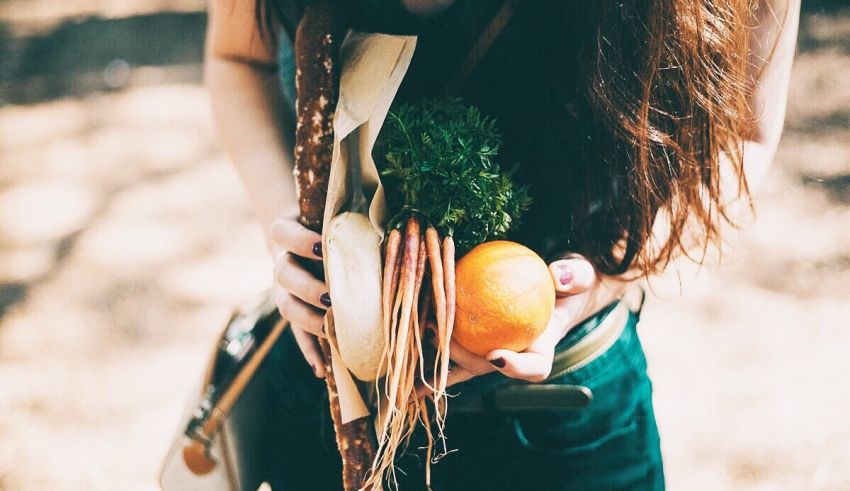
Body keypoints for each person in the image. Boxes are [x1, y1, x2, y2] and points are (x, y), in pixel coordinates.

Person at [204, 0, 800, 489]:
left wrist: (604, 277)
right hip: (338, 410)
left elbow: (743, 131)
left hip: (569, 414)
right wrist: (290, 223)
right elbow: (238, 57)